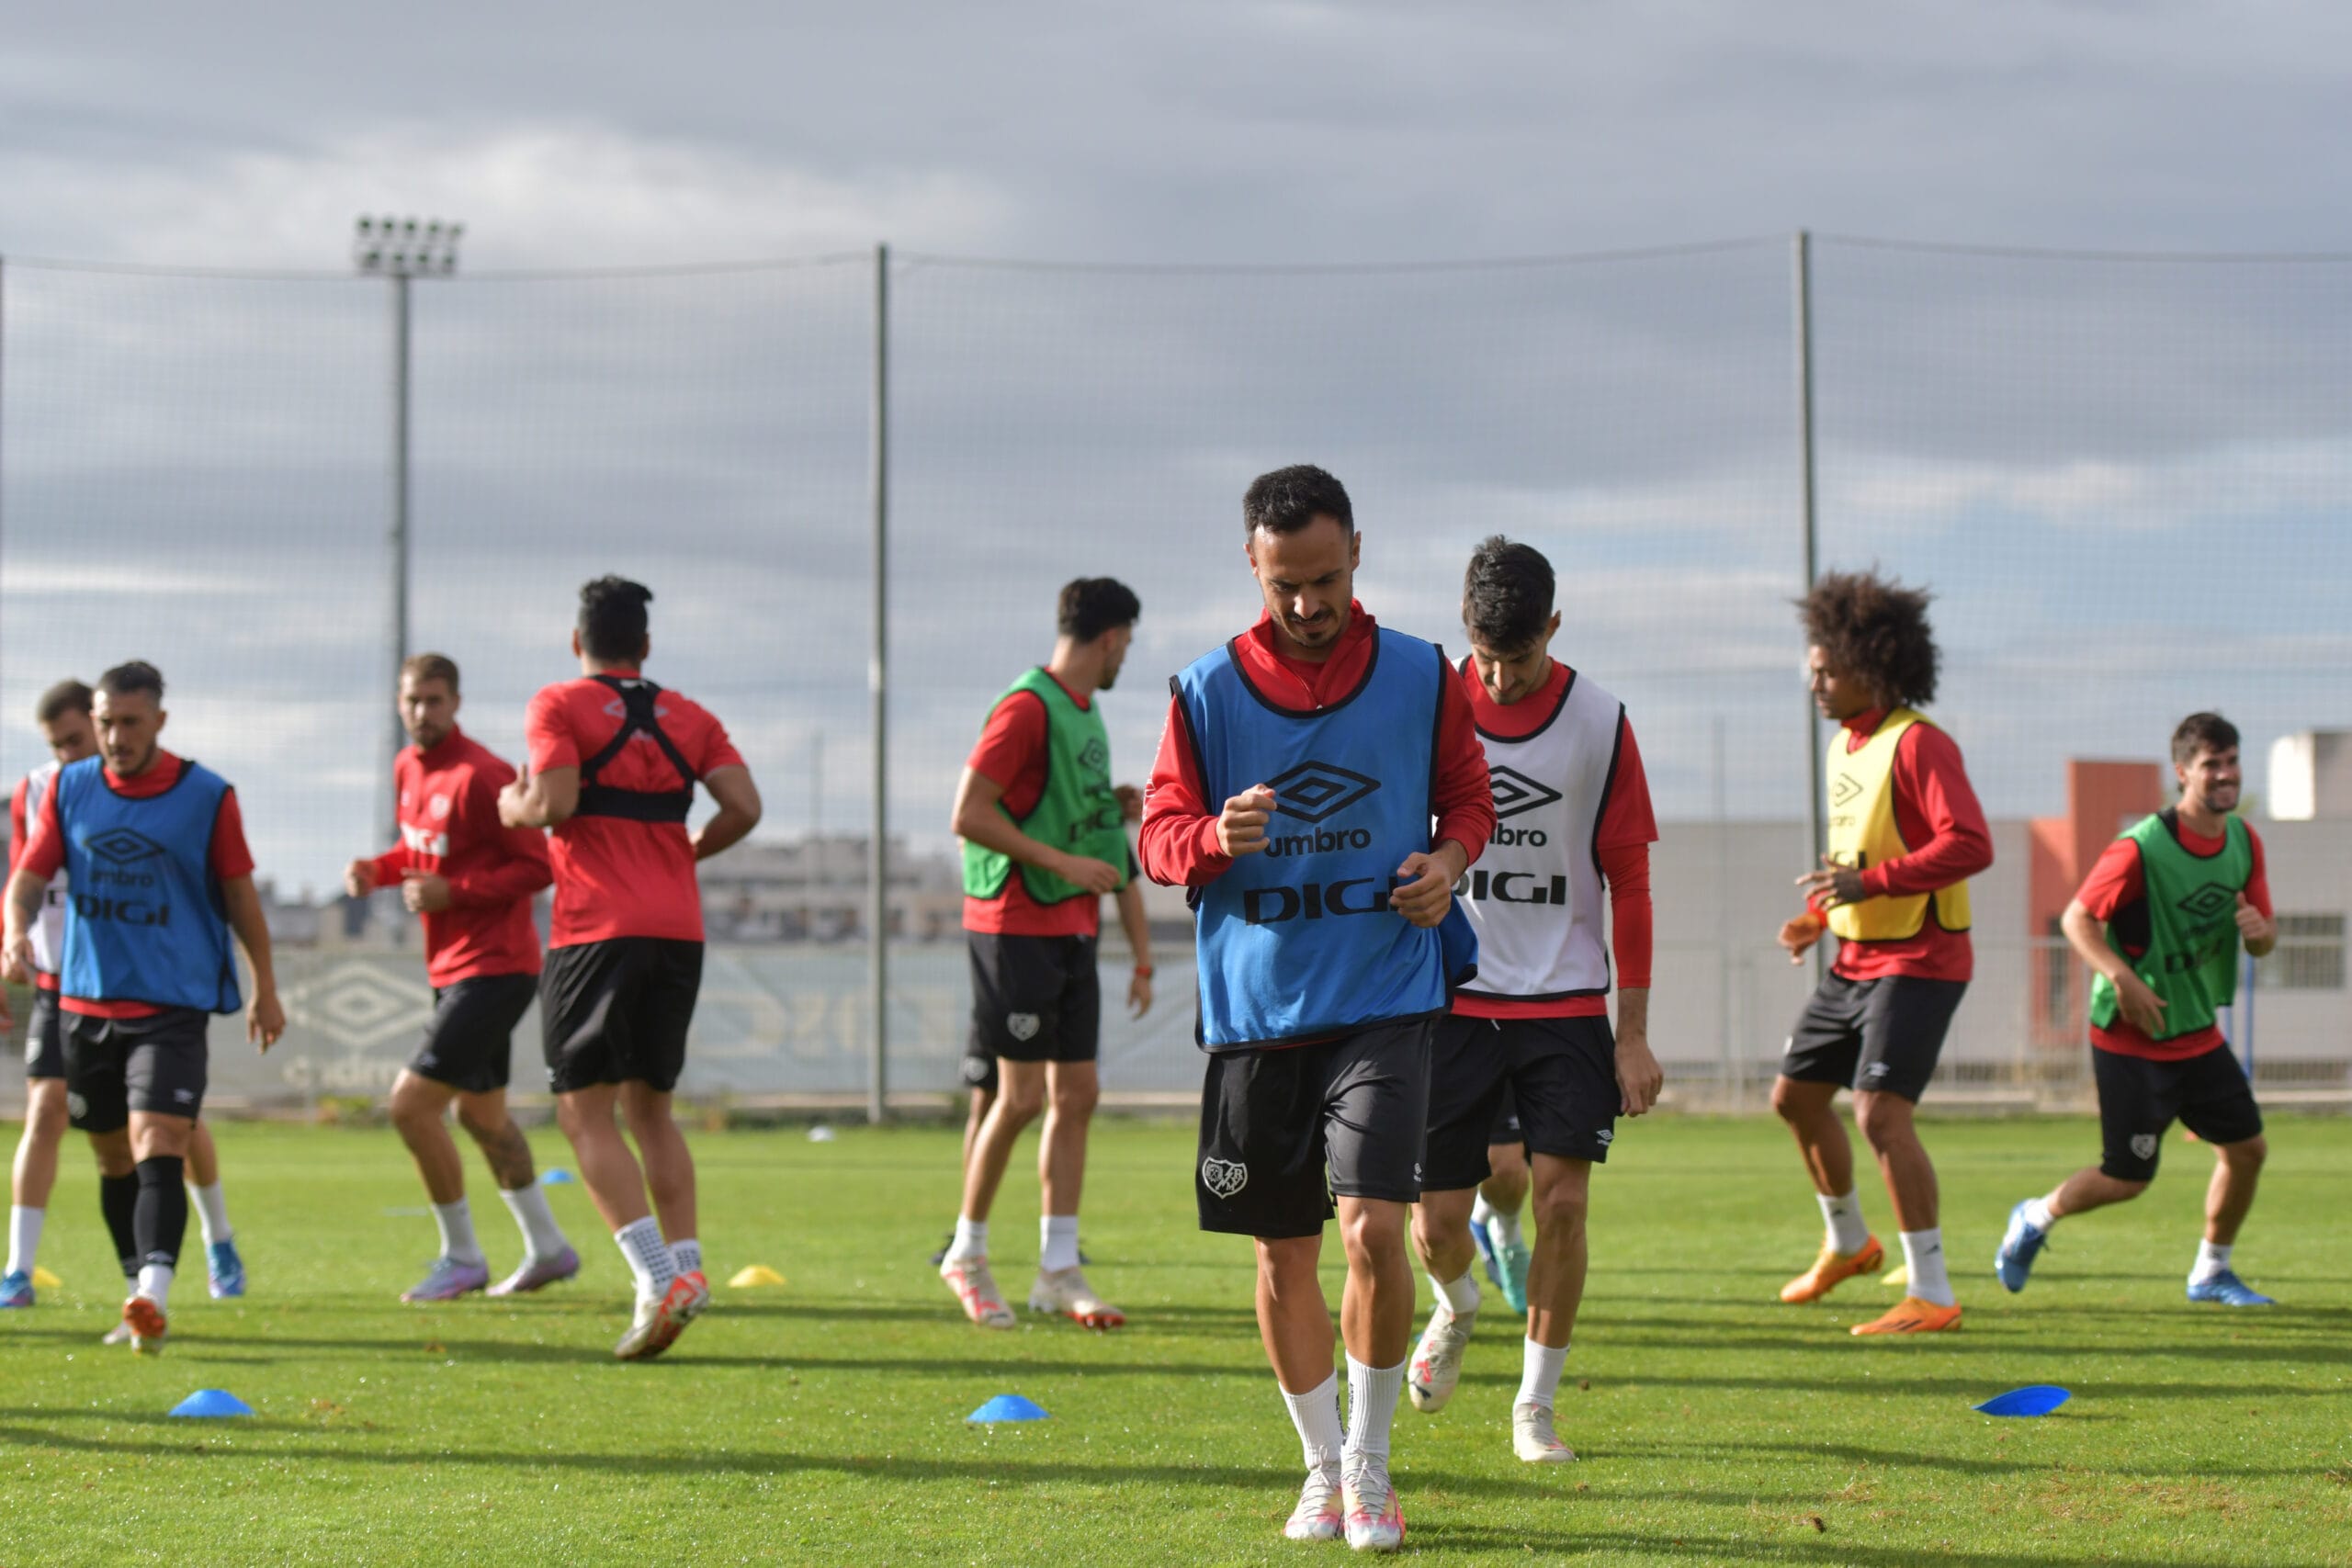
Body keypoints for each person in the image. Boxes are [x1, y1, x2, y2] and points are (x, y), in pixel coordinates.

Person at [1140, 465, 1493, 1551]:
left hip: (1385, 994)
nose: (1305, 604)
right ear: (1252, 564)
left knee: (1372, 1228)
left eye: (1325, 579)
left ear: (1357, 555)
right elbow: (1154, 839)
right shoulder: (1202, 691)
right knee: (1280, 1254)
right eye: (1284, 583)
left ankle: (1377, 1470)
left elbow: (1470, 801)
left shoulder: (1424, 675)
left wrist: (1446, 861)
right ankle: (1322, 1468)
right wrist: (1208, 838)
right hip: (1257, 1015)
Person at [1405, 536, 1661, 1463]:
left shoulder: (1600, 721)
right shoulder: (1429, 710)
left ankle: (1534, 1407)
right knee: (1433, 1225)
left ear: (1554, 627)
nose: (1500, 678)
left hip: (1562, 1006)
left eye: (1517, 657)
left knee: (1561, 1203)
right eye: (1484, 655)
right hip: (1451, 1001)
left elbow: (1628, 882)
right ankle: (1457, 1303)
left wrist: (1630, 1034)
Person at [500, 578, 761, 1360]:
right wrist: (686, 851)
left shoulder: (558, 703)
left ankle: (655, 1276)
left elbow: (551, 802)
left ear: (576, 642)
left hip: (595, 931)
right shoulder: (691, 715)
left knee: (584, 1113)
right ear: (645, 646)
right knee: (653, 1111)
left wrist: (512, 805)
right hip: (677, 928)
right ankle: (687, 1266)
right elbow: (744, 806)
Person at [0, 662, 284, 1351]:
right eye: (105, 722)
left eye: (130, 722)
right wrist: (13, 933)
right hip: (83, 1000)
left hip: (172, 1000)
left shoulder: (207, 795)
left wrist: (264, 985)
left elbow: (241, 896)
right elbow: (28, 878)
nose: (116, 736)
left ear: (160, 720)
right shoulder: (69, 787)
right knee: (109, 1155)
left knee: (158, 1138)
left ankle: (154, 1290)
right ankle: (137, 1290)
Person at [1995, 713, 2278, 1306]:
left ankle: (2210, 1271)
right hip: (2132, 1038)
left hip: (2197, 1032)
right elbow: (2077, 919)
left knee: (2247, 1150)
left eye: (2231, 761)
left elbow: (2264, 937)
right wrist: (2122, 976)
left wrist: (2258, 933)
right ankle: (2035, 1216)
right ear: (2182, 772)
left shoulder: (2245, 842)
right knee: (2126, 1178)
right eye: (2211, 765)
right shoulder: (2140, 848)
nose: (2225, 774)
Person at [1772, 570, 1991, 1336]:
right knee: (1794, 1098)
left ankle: (1931, 1289)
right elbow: (1854, 858)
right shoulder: (1844, 746)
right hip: (1855, 958)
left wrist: (1868, 884)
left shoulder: (1921, 742)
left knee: (1880, 1114)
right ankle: (1850, 1244)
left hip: (1922, 958)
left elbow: (1970, 843)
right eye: (1813, 671)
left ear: (1876, 661)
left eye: (1827, 670)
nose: (1816, 684)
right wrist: (1815, 917)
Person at [937, 579, 1153, 1331]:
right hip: (1014, 922)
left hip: (1069, 928)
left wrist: (1110, 807)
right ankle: (965, 1252)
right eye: (1128, 642)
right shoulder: (1027, 706)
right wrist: (1061, 864)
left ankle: (1058, 1268)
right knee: (1019, 1096)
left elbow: (1060, 809)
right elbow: (969, 813)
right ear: (1114, 638)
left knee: (1078, 1094)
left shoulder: (1084, 714)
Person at [344, 653, 576, 1303]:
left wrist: (455, 893)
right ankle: (550, 1248)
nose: (423, 712)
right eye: (414, 700)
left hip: (496, 967)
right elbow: (420, 853)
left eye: (436, 700)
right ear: (399, 702)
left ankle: (463, 1256)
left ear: (456, 702)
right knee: (481, 1115)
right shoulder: (406, 767)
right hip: (451, 968)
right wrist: (378, 869)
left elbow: (538, 866)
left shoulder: (484, 774)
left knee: (410, 1105)